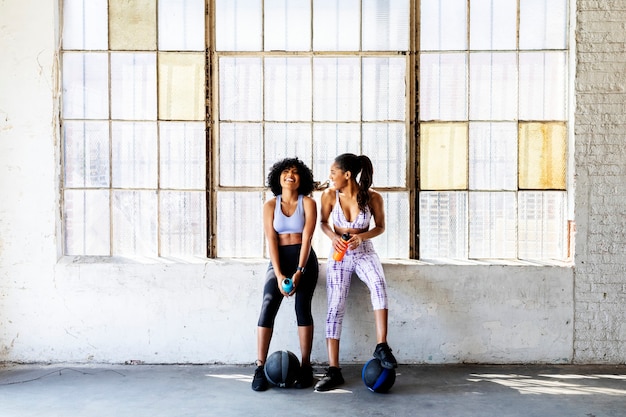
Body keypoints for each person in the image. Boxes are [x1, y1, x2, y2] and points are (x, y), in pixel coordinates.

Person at [314, 153, 397, 392]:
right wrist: (333, 239)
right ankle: (333, 370)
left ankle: (382, 345)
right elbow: (323, 223)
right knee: (335, 305)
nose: (330, 177)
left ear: (346, 175)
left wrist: (361, 237)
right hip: (340, 253)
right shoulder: (329, 195)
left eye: (333, 173)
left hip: (363, 251)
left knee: (379, 284)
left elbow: (380, 227)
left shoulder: (372, 198)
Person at [252, 157, 319, 391]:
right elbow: (271, 240)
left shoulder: (308, 203)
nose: (290, 175)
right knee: (268, 306)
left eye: (295, 172)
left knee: (302, 309)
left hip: (304, 260)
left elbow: (308, 238)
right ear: (278, 176)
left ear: (302, 179)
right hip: (279, 260)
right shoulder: (270, 205)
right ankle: (260, 367)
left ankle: (306, 366)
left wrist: (300, 271)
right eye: (285, 171)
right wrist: (279, 275)